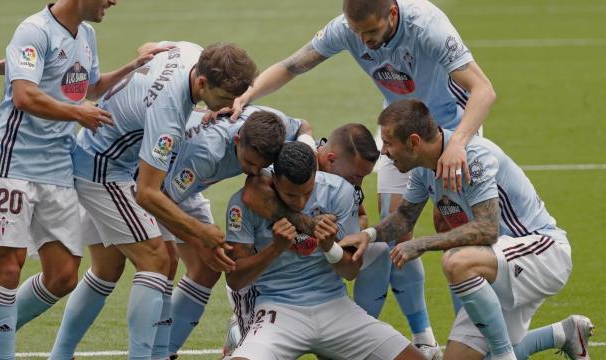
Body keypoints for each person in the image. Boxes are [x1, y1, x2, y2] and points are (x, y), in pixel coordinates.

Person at [211, 0, 497, 355]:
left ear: (392, 14)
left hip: (452, 132)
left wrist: (458, 144)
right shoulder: (347, 29)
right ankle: (418, 334)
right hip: (399, 134)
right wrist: (247, 95)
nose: (363, 42)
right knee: (393, 233)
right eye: (357, 34)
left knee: (453, 232)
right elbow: (291, 65)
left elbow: (483, 90)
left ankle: (468, 341)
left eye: (371, 33)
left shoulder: (427, 26)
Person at [0, 1, 170, 358]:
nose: (113, 2)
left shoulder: (87, 34)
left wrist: (133, 67)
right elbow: (24, 96)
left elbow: (90, 88)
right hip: (13, 166)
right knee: (8, 266)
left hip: (59, 169)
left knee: (64, 275)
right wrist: (76, 113)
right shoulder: (34, 31)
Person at [48, 41, 258, 359]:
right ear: (203, 83)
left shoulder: (191, 52)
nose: (230, 107)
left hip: (113, 156)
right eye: (226, 99)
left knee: (113, 266)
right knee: (156, 260)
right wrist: (201, 233)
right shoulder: (168, 115)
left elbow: (148, 47)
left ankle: (62, 354)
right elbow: (148, 194)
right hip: (103, 167)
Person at [340, 99, 593, 360]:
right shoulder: (423, 171)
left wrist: (421, 243)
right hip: (494, 268)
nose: (384, 151)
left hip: (541, 252)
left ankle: (504, 355)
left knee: (456, 260)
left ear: (414, 142)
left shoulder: (473, 157)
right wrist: (367, 235)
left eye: (388, 143)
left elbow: (487, 229)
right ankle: (564, 333)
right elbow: (403, 218)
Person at [225, 141, 424, 360]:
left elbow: (351, 271)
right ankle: (240, 333)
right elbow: (235, 279)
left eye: (307, 193)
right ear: (273, 181)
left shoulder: (339, 192)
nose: (300, 203)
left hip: (336, 307)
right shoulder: (243, 205)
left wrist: (330, 247)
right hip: (277, 310)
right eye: (291, 195)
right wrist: (275, 248)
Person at [155, 106, 308, 359]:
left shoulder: (276, 124)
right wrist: (201, 239)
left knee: (210, 266)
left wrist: (308, 149)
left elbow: (304, 125)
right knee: (158, 263)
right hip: (145, 182)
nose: (254, 171)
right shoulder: (206, 154)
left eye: (263, 166)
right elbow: (159, 201)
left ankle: (165, 352)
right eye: (248, 163)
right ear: (237, 140)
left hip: (182, 189)